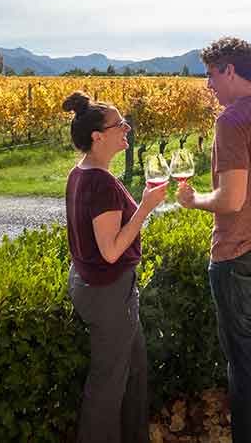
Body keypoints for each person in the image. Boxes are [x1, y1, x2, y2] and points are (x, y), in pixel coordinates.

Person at [176, 37, 251, 443]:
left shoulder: (232, 120)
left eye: (210, 74)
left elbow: (231, 199)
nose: (207, 84)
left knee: (244, 368)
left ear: (228, 70)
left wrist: (193, 200)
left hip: (237, 255)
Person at [63, 91, 168, 443]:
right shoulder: (101, 182)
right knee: (107, 385)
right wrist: (147, 206)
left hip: (93, 285)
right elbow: (110, 251)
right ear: (98, 136)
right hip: (108, 293)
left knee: (135, 369)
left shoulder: (81, 173)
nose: (126, 128)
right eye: (119, 124)